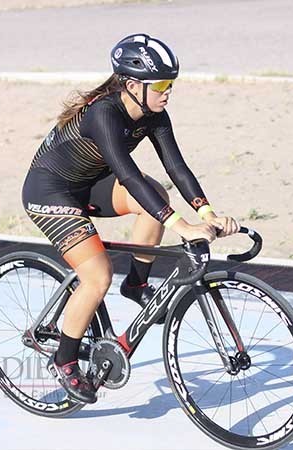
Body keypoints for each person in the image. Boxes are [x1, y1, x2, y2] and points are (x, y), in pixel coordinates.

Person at [21, 33, 239, 403]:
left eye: (172, 83)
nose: (168, 92)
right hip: (51, 192)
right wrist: (180, 226)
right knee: (98, 275)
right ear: (133, 84)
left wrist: (208, 212)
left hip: (90, 184)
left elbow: (176, 167)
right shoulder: (103, 113)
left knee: (158, 194)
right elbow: (129, 176)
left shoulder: (154, 113)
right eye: (162, 85)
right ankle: (65, 360)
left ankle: (136, 284)